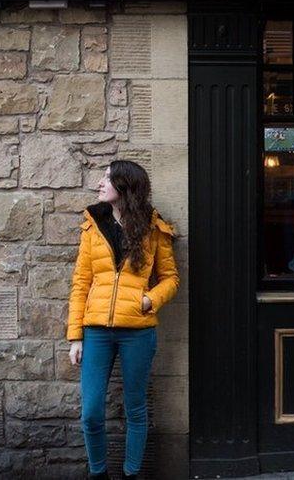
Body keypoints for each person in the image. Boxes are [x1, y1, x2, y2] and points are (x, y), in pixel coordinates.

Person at [66, 159, 180, 480]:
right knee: (90, 413)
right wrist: (76, 336)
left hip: (138, 333)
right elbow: (80, 282)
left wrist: (149, 299)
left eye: (107, 178)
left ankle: (132, 474)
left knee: (136, 409)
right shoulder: (93, 225)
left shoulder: (154, 227)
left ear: (125, 187)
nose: (100, 183)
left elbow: (170, 279)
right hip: (96, 332)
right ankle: (98, 473)